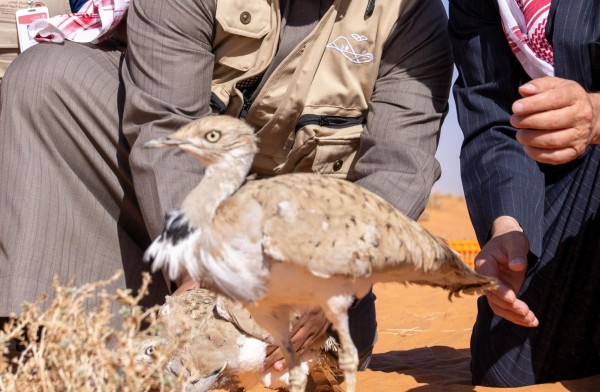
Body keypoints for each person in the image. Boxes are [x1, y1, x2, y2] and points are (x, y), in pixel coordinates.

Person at [0, 0, 453, 372]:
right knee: (49, 80)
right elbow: (166, 123)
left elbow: (398, 172)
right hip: (184, 224)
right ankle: (70, 342)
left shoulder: (412, 17)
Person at [449, 0, 600, 387]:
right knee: (508, 364)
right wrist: (508, 226)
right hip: (577, 172)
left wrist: (596, 115)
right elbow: (494, 115)